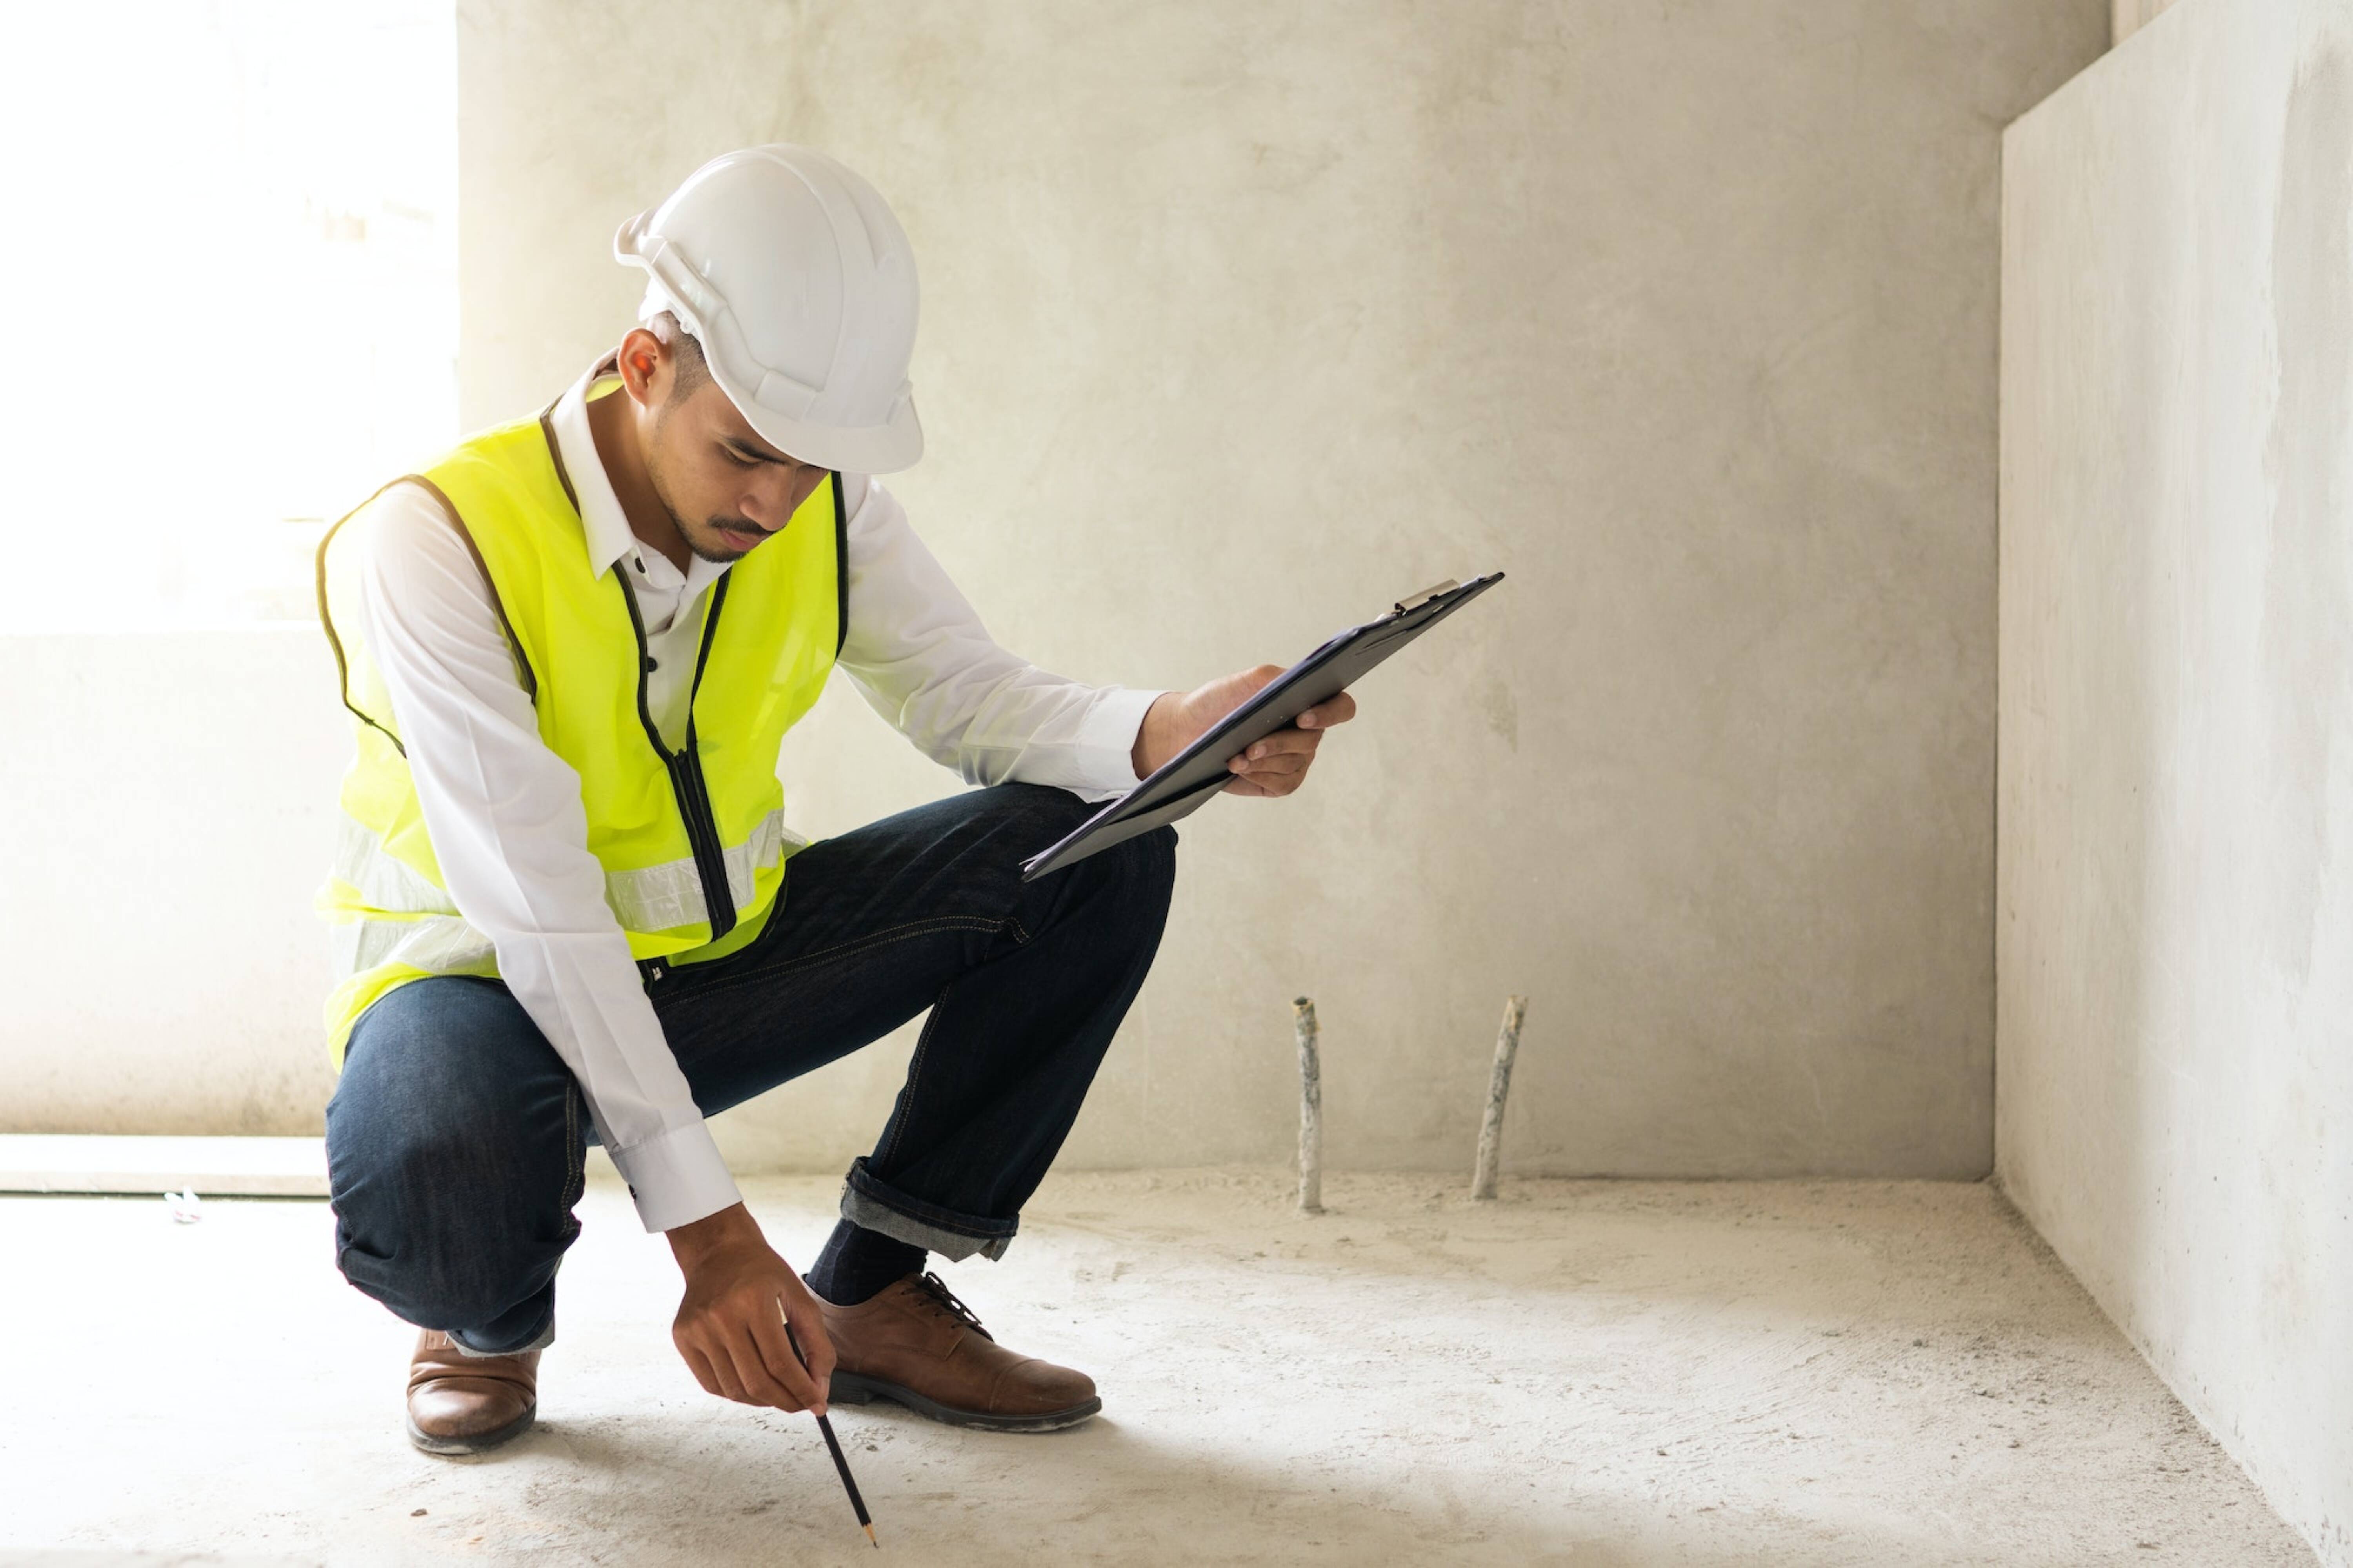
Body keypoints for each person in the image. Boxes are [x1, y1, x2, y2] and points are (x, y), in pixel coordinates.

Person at [314, 145, 1356, 1456]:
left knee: (1096, 849)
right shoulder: (438, 543)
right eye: (745, 451)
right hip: (484, 997)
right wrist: (712, 1236)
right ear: (645, 368)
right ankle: (484, 1321)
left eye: (808, 465)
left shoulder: (814, 493)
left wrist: (1166, 733)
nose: (775, 501)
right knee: (443, 1179)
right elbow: (538, 908)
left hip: (717, 965)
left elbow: (969, 695)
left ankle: (877, 1294)